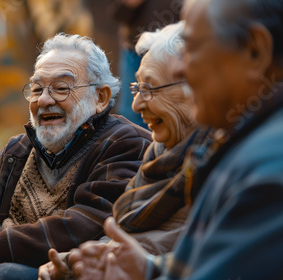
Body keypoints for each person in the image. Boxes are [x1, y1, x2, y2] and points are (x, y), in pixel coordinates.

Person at [70, 0, 283, 279]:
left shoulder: (266, 173)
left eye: (193, 48)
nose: (180, 69)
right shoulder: (239, 147)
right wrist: (147, 269)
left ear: (256, 49)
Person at [37, 21, 214, 280]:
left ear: (195, 89)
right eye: (137, 88)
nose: (137, 104)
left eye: (149, 89)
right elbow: (126, 239)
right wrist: (76, 259)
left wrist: (102, 257)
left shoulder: (223, 159)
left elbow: (190, 246)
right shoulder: (159, 155)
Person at [0, 33, 152, 276]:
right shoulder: (17, 149)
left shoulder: (125, 143)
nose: (44, 100)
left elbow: (84, 226)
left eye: (61, 88)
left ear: (100, 98)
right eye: (37, 89)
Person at [109, 0, 183, 128]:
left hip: (178, 48)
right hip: (136, 50)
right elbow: (117, 13)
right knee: (131, 112)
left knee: (174, 107)